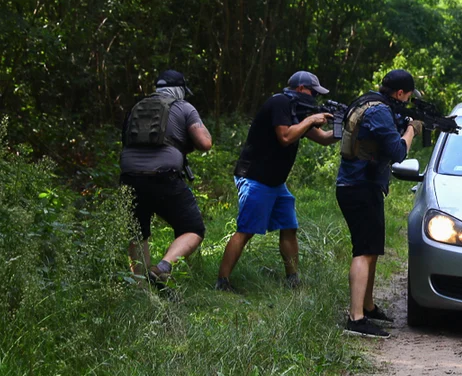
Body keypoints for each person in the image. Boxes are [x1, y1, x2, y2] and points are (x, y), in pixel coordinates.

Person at [216, 71, 337, 291]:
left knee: (289, 227)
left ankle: (293, 280)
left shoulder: (295, 110)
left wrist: (343, 128)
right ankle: (222, 281)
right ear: (300, 89)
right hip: (255, 177)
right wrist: (311, 119)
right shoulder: (280, 102)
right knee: (246, 230)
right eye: (312, 92)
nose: (314, 97)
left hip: (275, 181)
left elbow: (323, 139)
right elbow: (286, 137)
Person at [336, 69, 422, 338]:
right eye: (408, 96)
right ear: (399, 93)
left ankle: (368, 306)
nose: (407, 101)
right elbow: (397, 151)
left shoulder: (371, 103)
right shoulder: (380, 112)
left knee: (371, 249)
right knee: (363, 250)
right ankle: (356, 318)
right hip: (359, 187)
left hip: (363, 186)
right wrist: (411, 130)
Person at [120, 70, 213, 287]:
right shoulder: (184, 107)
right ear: (180, 89)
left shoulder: (136, 108)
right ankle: (162, 268)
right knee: (193, 228)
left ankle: (141, 288)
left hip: (129, 177)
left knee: (138, 232)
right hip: (163, 177)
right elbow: (205, 143)